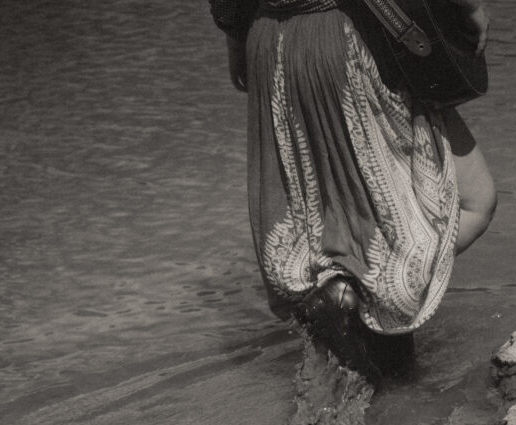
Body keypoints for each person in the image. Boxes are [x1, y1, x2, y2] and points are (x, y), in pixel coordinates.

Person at [209, 0, 496, 376]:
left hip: (267, 41)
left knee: (327, 222)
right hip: (348, 34)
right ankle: (367, 297)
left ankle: (340, 304)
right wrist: (470, 6)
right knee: (476, 202)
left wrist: (236, 38)